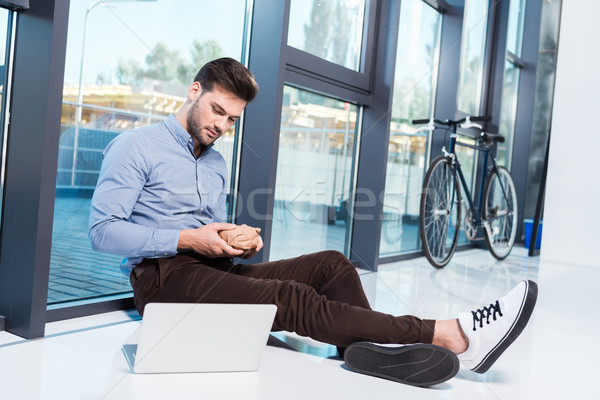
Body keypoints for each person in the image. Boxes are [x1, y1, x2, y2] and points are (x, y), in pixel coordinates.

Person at [89, 57, 538, 388]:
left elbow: (213, 232)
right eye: (217, 111)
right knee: (290, 297)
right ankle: (450, 334)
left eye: (232, 118)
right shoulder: (136, 147)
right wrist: (188, 238)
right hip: (162, 279)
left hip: (212, 271)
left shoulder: (216, 163)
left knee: (331, 263)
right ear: (194, 91)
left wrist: (235, 240)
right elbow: (103, 231)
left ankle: (366, 350)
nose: (222, 125)